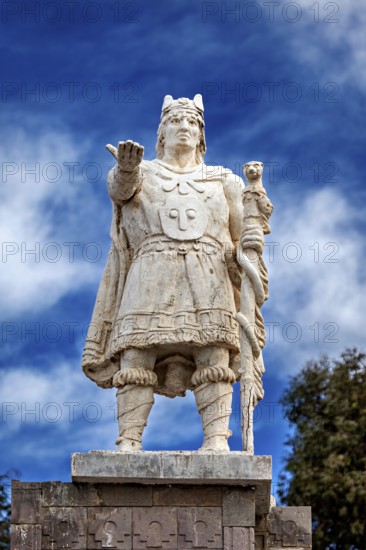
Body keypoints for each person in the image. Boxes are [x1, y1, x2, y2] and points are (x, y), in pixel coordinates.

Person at [82, 94, 263, 451]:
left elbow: (242, 236)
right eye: (176, 121)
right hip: (152, 268)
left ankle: (216, 441)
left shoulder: (223, 180)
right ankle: (129, 441)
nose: (185, 127)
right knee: (136, 353)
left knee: (214, 352)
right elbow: (119, 191)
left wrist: (250, 243)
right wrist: (128, 168)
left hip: (209, 272)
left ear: (201, 135)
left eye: (193, 122)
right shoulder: (141, 173)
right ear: (161, 132)